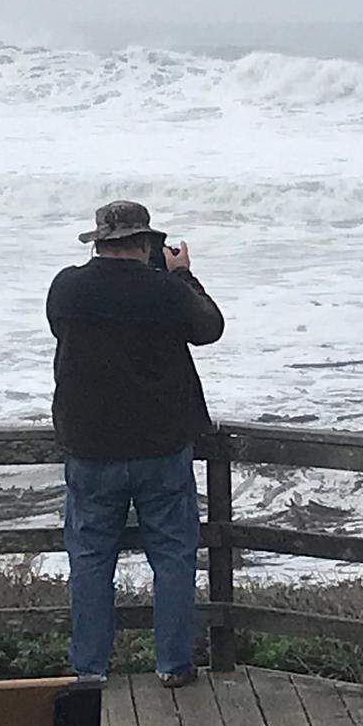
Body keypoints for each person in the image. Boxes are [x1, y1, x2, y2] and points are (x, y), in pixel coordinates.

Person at [46, 200, 224, 688]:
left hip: (90, 446)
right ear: (146, 243)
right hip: (161, 447)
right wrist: (182, 275)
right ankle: (172, 665)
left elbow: (62, 328)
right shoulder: (165, 290)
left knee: (89, 559)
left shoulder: (67, 287)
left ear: (98, 241)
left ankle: (90, 669)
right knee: (171, 555)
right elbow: (209, 329)